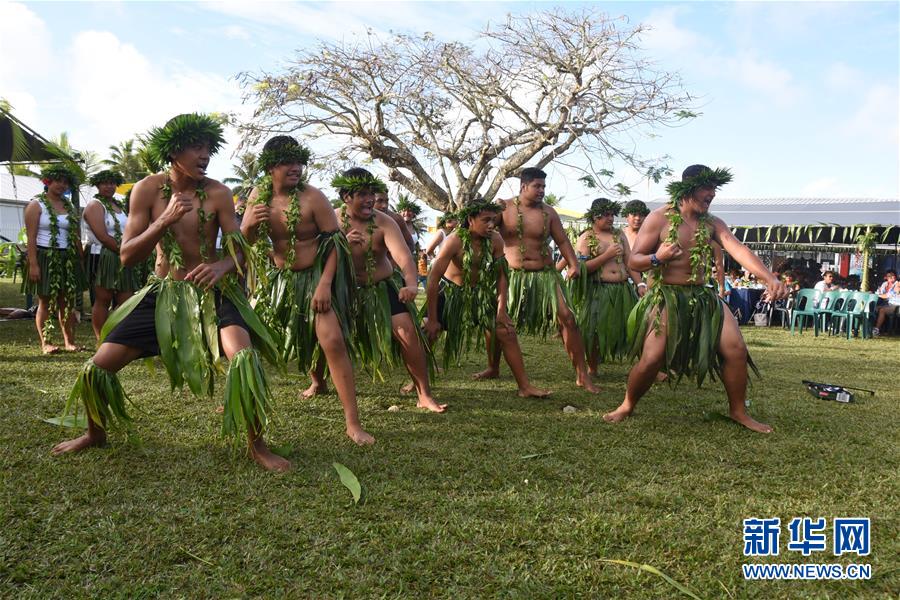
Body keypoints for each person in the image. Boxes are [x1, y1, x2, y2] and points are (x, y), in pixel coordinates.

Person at [51, 113, 290, 472]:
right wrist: (164, 220)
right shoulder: (147, 190)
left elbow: (239, 249)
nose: (205, 155)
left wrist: (222, 266)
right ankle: (94, 434)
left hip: (213, 291)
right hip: (163, 293)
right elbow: (128, 255)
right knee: (97, 367)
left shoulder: (218, 193)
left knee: (243, 357)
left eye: (208, 149)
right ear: (174, 151)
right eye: (197, 147)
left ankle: (258, 445)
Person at [604, 165, 787, 433]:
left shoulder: (712, 223)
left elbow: (737, 249)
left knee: (735, 349)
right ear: (688, 188)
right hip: (666, 295)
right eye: (707, 188)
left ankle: (738, 411)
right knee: (652, 358)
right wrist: (658, 257)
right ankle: (627, 405)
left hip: (702, 295)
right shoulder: (659, 218)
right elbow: (634, 260)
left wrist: (769, 277)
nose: (712, 194)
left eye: (714, 189)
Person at [242, 136, 373, 445]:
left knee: (332, 341)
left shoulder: (313, 197)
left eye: (298, 161)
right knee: (249, 344)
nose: (295, 168)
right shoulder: (258, 195)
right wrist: (248, 225)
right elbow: (246, 241)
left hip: (317, 275)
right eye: (287, 162)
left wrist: (325, 284)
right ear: (270, 166)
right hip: (280, 280)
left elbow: (335, 244)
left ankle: (353, 423)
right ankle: (242, 404)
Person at [330, 168, 446, 412]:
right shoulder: (332, 220)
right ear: (346, 197)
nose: (370, 199)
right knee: (326, 334)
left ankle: (424, 394)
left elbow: (403, 257)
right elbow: (320, 259)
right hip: (342, 288)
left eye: (371, 194)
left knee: (407, 332)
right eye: (362, 194)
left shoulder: (384, 222)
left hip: (381, 286)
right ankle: (318, 382)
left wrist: (411, 283)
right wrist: (342, 245)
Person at [424, 199, 550, 398]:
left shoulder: (495, 240)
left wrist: (501, 310)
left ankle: (521, 385)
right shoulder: (454, 240)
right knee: (429, 332)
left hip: (480, 293)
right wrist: (432, 318)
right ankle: (418, 383)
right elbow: (433, 279)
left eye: (493, 220)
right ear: (470, 219)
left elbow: (502, 277)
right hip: (449, 293)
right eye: (486, 220)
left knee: (505, 330)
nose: (491, 225)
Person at [493, 167, 598, 392]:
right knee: (499, 320)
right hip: (511, 275)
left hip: (545, 275)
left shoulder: (549, 212)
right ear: (523, 186)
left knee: (568, 318)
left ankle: (582, 375)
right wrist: (493, 211)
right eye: (537, 186)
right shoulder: (504, 208)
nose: (541, 190)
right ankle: (493, 368)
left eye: (543, 186)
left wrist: (573, 263)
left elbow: (562, 241)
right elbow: (483, 227)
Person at [570, 198, 646, 375]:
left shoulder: (619, 235)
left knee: (636, 326)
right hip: (598, 290)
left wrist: (640, 283)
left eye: (612, 214)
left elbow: (629, 262)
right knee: (594, 330)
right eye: (606, 215)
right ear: (594, 217)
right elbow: (580, 269)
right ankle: (593, 368)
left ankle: (647, 367)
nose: (610, 218)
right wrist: (607, 255)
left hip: (623, 289)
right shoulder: (586, 237)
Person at [23, 165, 87, 353]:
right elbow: (31, 238)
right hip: (45, 255)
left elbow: (75, 235)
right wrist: (33, 264)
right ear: (48, 181)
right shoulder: (36, 205)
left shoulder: (69, 206)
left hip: (67, 256)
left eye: (65, 182)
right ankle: (46, 343)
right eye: (58, 181)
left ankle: (69, 342)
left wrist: (80, 259)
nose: (62, 185)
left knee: (66, 302)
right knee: (45, 301)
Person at [83, 169, 139, 340]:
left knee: (126, 298)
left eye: (112, 183)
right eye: (105, 183)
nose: (109, 186)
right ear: (97, 185)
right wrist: (126, 251)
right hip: (102, 255)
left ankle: (120, 337)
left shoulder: (119, 205)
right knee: (103, 298)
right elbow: (102, 236)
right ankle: (101, 338)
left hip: (122, 255)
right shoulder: (94, 205)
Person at [374, 191, 416, 258]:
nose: (385, 205)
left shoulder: (396, 219)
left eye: (386, 201)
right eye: (379, 201)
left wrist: (393, 261)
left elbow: (410, 245)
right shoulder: (359, 218)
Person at [873, 270, 900, 336]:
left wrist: (878, 295)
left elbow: (888, 295)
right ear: (886, 277)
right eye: (889, 276)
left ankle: (876, 329)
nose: (891, 277)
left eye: (893, 275)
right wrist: (878, 294)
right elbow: (880, 292)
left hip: (896, 305)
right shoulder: (885, 284)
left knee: (882, 310)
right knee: (874, 308)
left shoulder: (897, 284)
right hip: (888, 303)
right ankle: (872, 327)